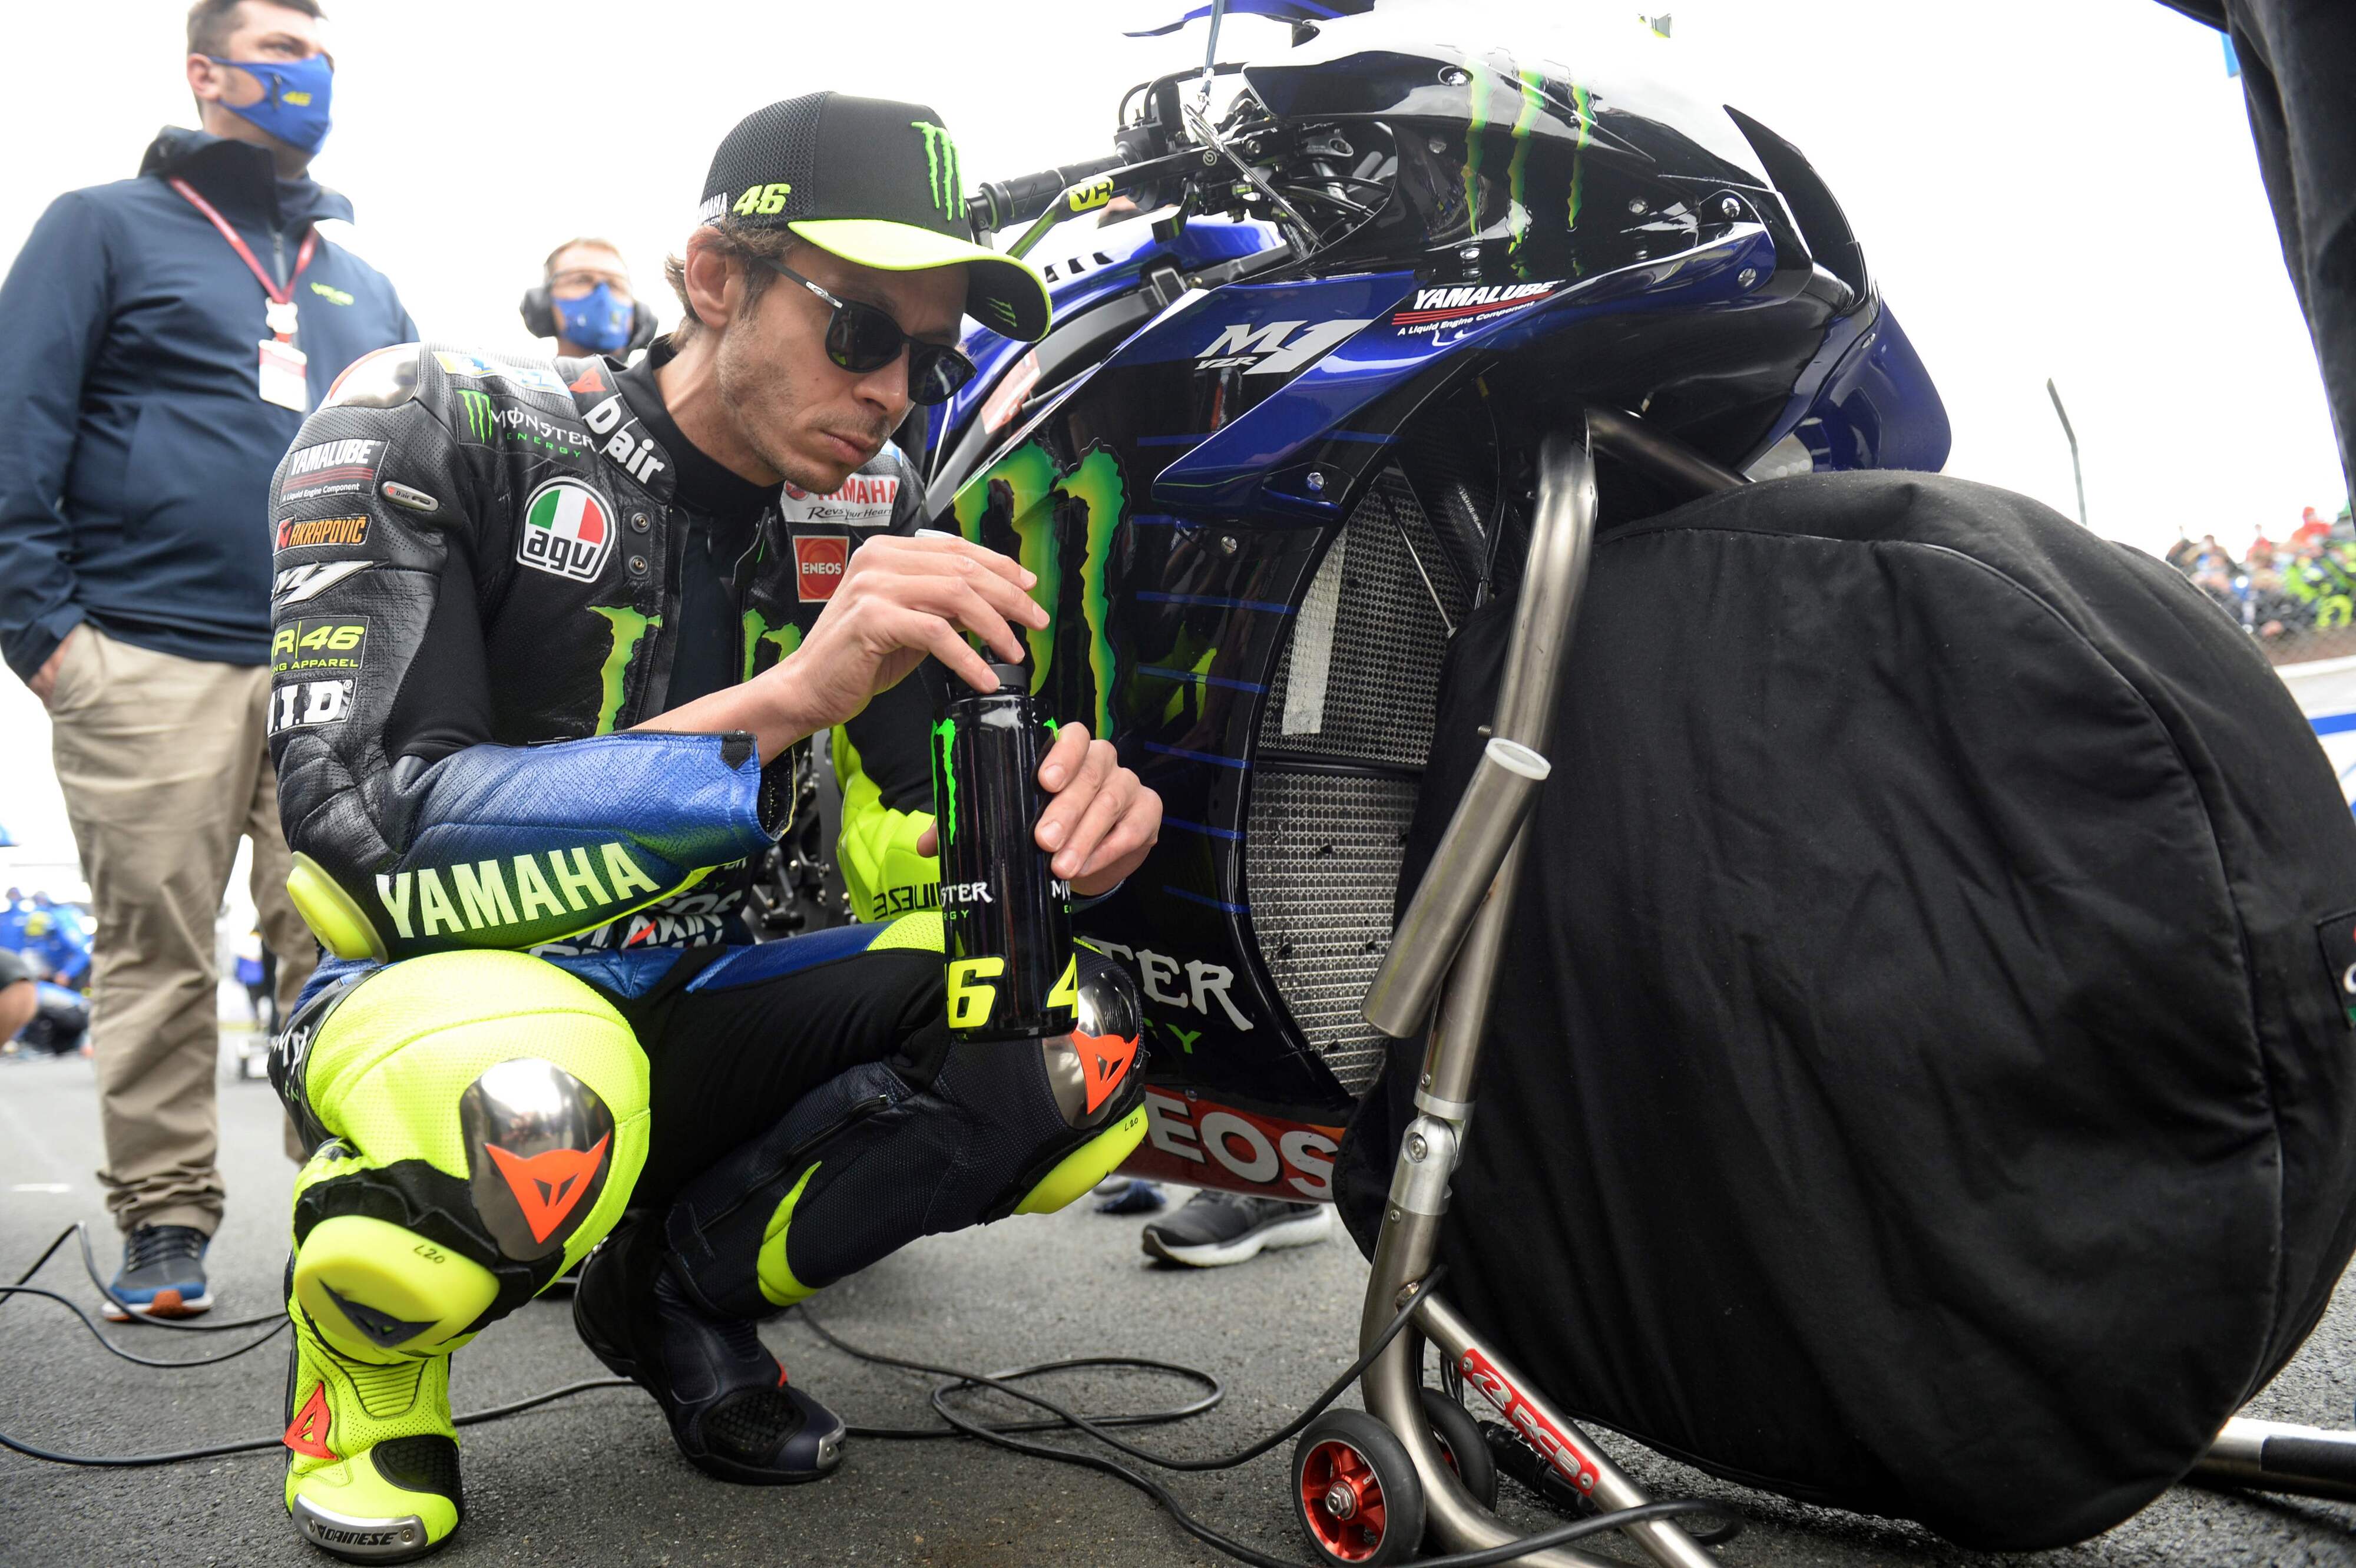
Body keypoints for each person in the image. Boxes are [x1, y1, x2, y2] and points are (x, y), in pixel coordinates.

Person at [261, 93, 1162, 1560]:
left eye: (930, 359)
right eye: (860, 331)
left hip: (715, 994)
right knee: (536, 1099)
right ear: (714, 277)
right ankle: (364, 1380)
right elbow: (362, 845)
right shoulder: (438, 413)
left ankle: (674, 1293)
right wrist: (785, 699)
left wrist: (1046, 835)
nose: (893, 392)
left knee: (1070, 1030)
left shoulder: (876, 500)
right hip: (442, 1002)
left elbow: (896, 833)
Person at [0, 0, 414, 1321]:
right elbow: (17, 422)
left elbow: (418, 469)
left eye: (323, 54)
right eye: (282, 50)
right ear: (205, 70)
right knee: (158, 949)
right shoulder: (100, 227)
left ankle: (346, 1208)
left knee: (343, 948)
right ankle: (166, 1217)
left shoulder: (361, 280)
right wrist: (48, 640)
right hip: (142, 655)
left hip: (337, 673)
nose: (311, 73)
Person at [520, 237, 659, 361]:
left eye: (615, 285)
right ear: (543, 304)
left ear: (638, 313)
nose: (603, 297)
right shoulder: (517, 381)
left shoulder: (663, 381)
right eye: (581, 280)